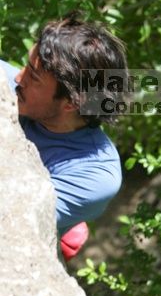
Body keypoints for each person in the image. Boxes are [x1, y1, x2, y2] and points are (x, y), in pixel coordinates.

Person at [0, 13, 128, 260]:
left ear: (72, 102)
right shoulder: (10, 83)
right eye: (26, 66)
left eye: (33, 78)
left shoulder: (93, 174)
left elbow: (13, 216)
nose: (18, 78)